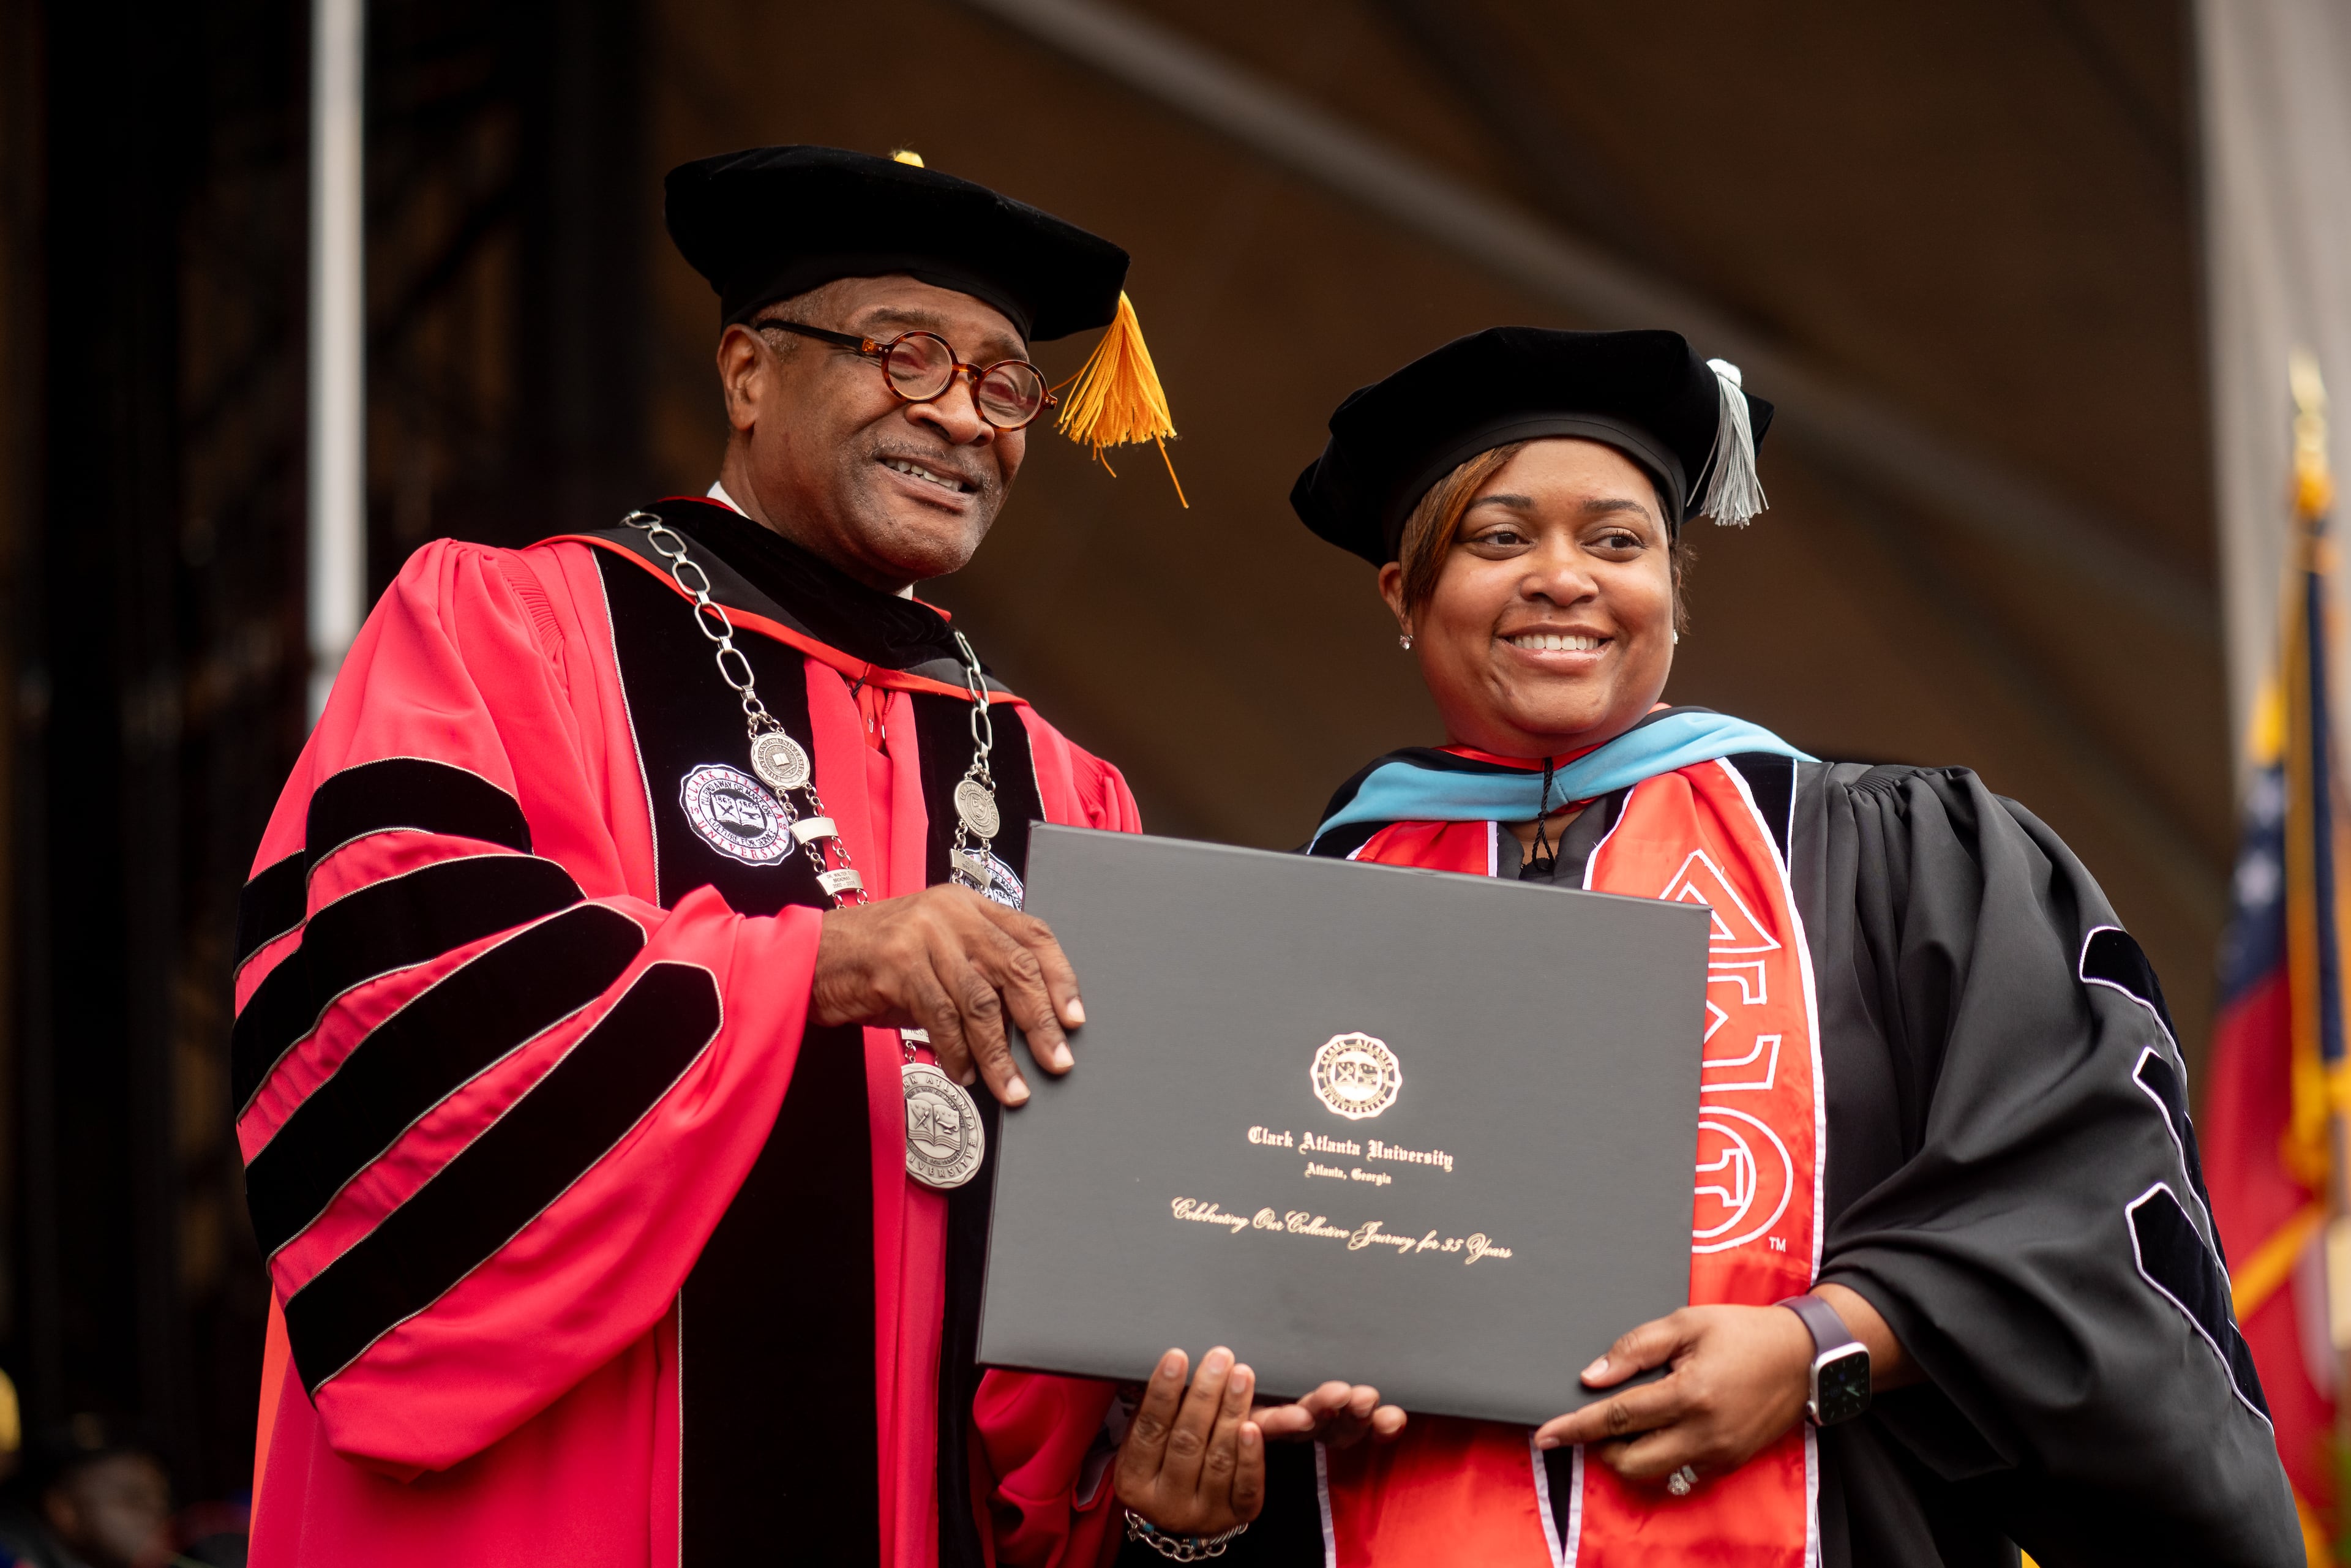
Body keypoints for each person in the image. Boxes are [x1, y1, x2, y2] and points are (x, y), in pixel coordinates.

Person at [234, 144, 1283, 1567]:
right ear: (746, 372)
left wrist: (1164, 1437)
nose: (962, 420)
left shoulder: (1066, 787)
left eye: (1001, 383)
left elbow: (1099, 1233)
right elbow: (386, 1001)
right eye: (905, 357)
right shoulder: (513, 631)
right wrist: (815, 965)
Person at [1198, 326, 2296, 1566]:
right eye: (1499, 538)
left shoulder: (1897, 857)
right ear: (1403, 593)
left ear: (1672, 582)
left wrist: (1821, 1345)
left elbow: (2088, 1187)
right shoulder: (1306, 921)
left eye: (1617, 541)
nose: (1564, 579)